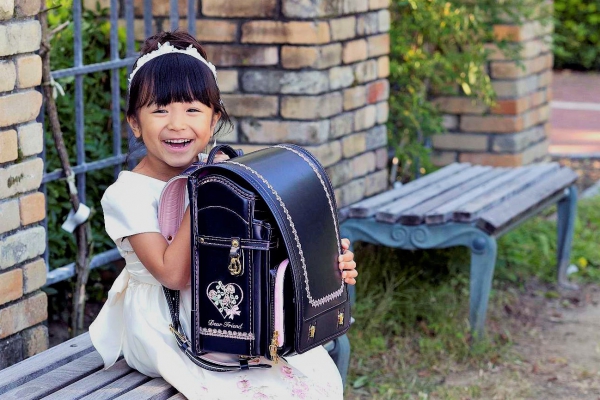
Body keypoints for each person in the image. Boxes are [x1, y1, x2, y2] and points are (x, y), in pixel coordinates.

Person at [89, 30, 358, 400]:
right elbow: (172, 273)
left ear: (214, 120)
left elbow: (265, 245)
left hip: (229, 310)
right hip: (166, 324)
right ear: (135, 123)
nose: (177, 123)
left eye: (192, 109)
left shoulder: (224, 172)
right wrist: (208, 190)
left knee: (311, 382)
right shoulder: (128, 194)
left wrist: (323, 263)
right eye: (160, 109)